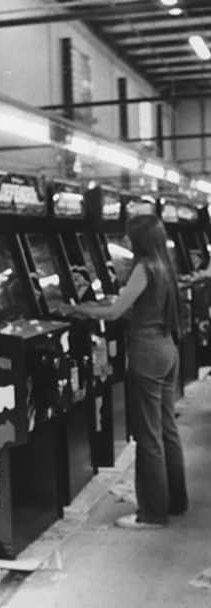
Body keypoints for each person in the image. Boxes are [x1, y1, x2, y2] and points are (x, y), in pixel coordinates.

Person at [62, 213, 188, 529]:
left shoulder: (144, 267)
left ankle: (153, 514)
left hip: (147, 353)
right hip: (166, 349)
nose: (125, 240)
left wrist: (77, 308)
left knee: (148, 436)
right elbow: (141, 307)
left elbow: (115, 311)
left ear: (140, 239)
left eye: (129, 235)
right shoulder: (165, 265)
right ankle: (175, 500)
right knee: (167, 430)